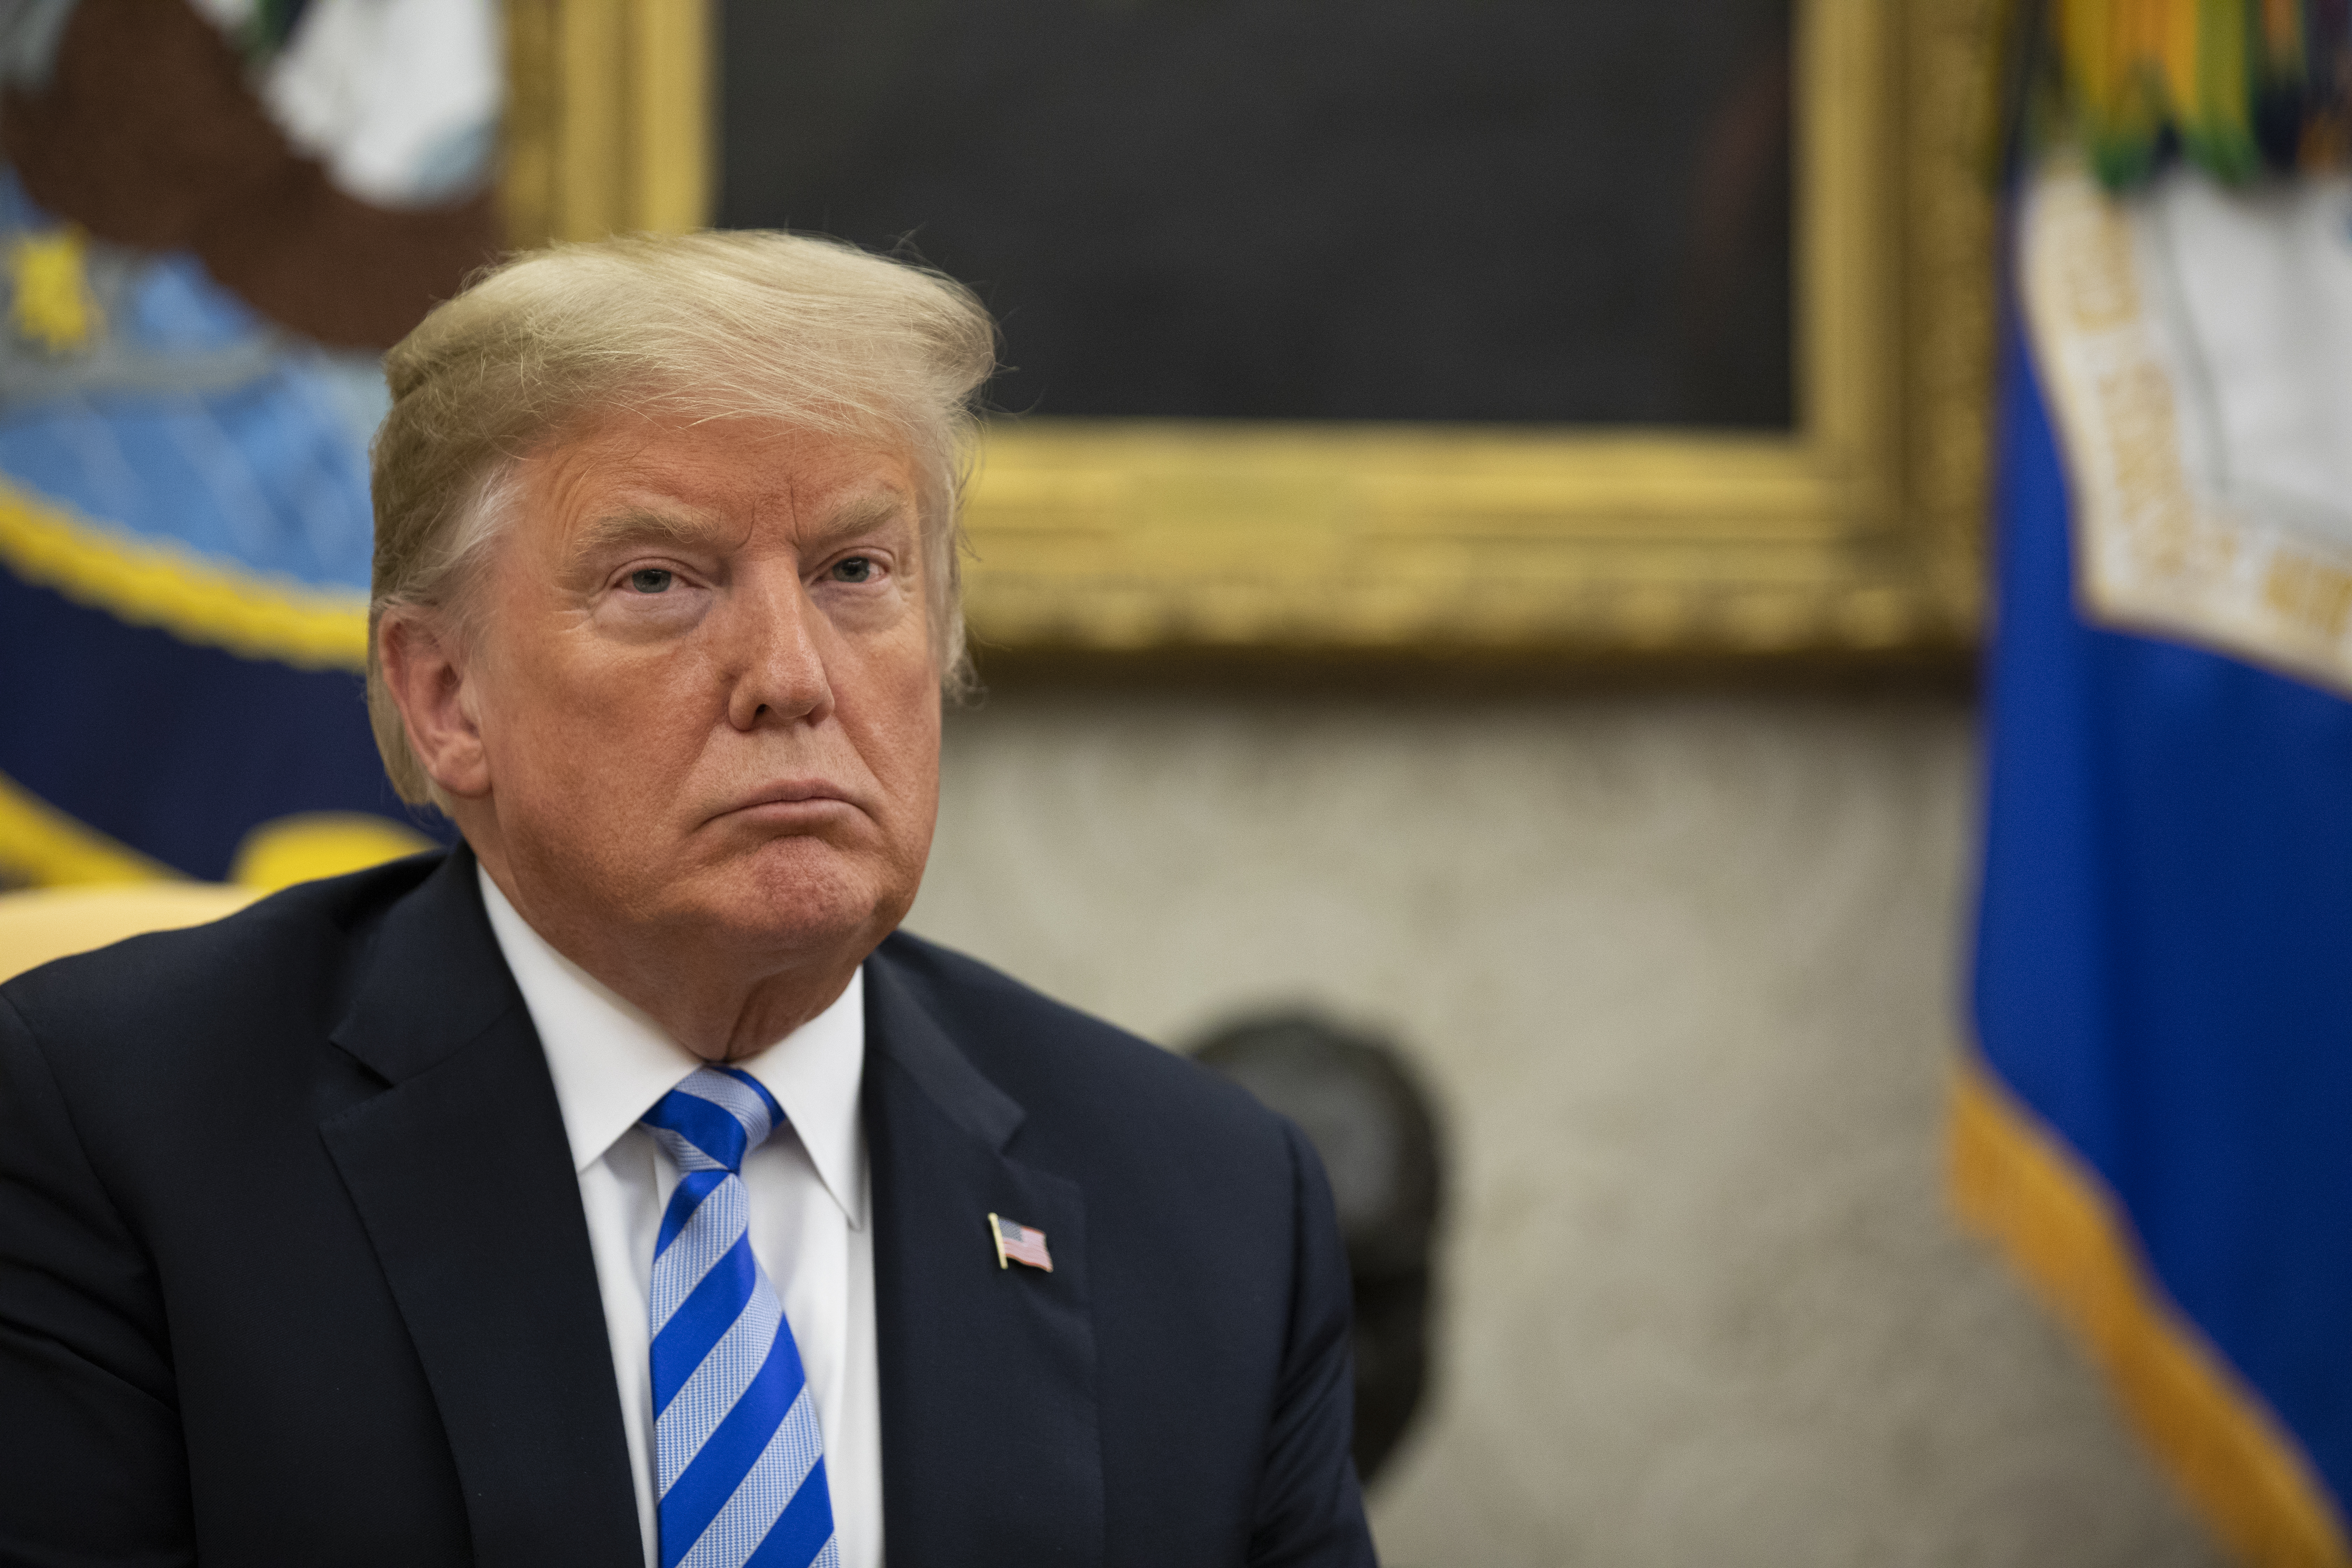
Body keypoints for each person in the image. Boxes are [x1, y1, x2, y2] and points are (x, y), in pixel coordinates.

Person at [0, 232, 1376, 1568]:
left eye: (855, 572)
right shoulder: (115, 1133)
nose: (791, 674)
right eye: (661, 581)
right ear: (446, 697)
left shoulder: (1212, 1205)